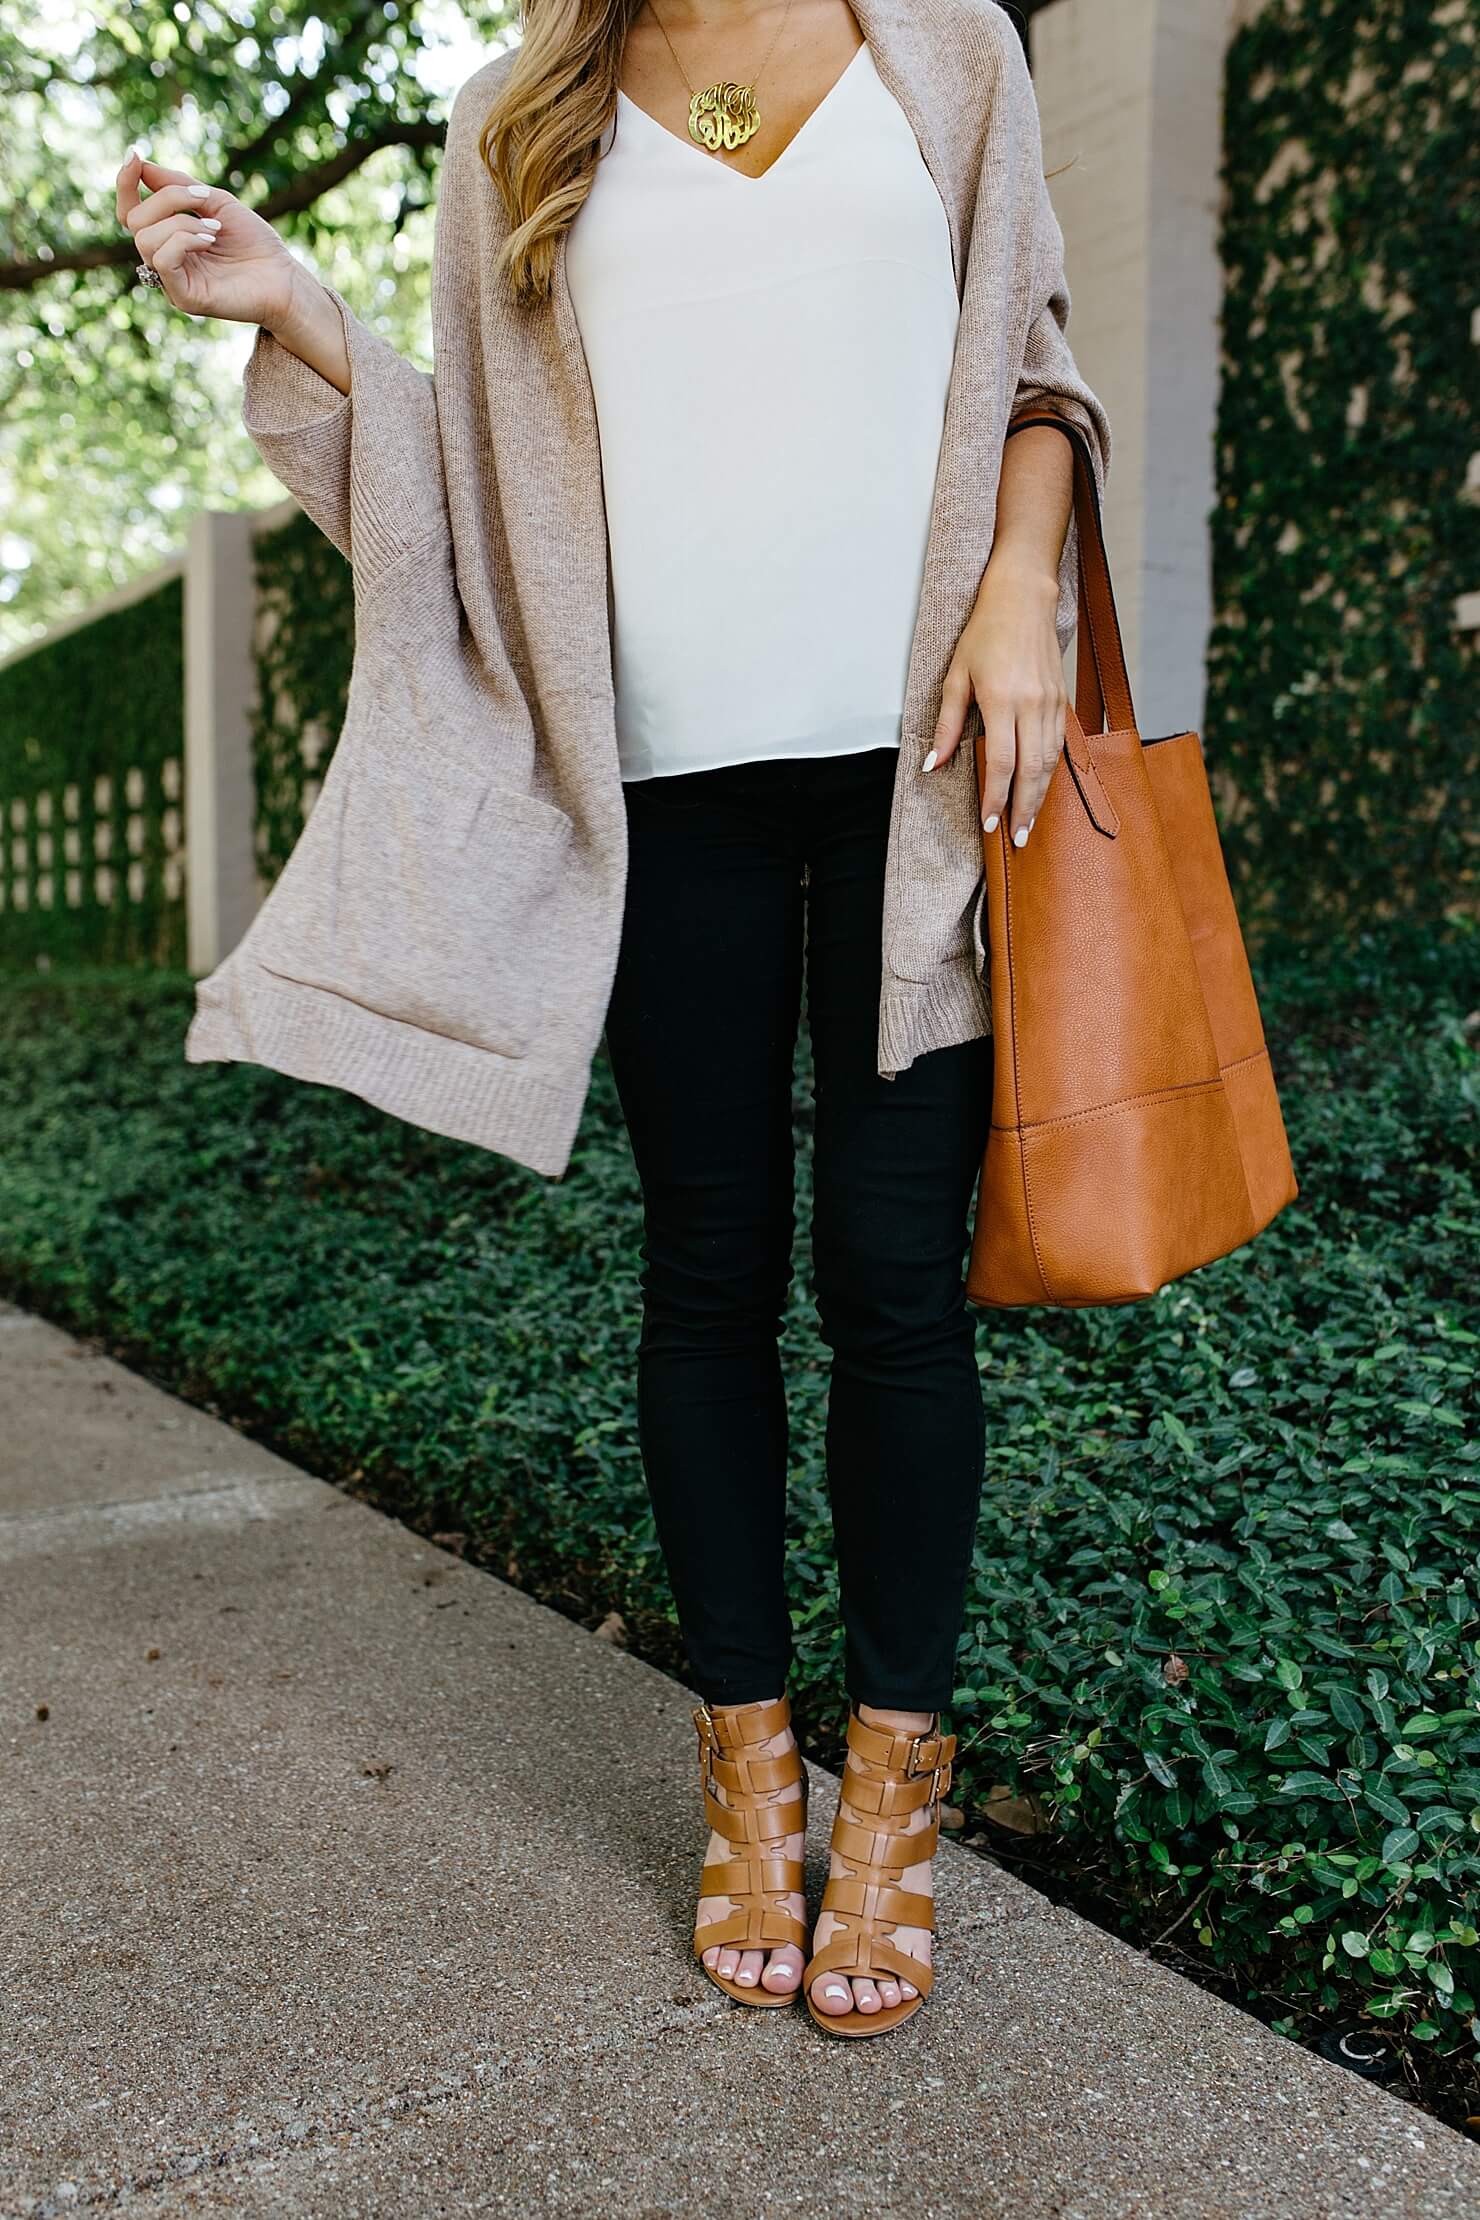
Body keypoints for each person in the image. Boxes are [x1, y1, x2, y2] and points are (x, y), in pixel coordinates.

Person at [117, 0, 1109, 2040]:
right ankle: (751, 1767)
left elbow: (1033, 366)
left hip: (920, 772)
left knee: (893, 1283)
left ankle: (892, 1792)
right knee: (708, 1273)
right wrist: (289, 301)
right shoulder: (519, 110)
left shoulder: (944, 53)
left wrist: (1018, 589)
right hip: (659, 795)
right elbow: (471, 494)